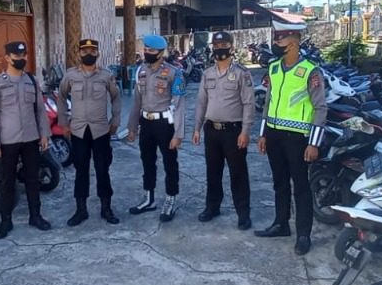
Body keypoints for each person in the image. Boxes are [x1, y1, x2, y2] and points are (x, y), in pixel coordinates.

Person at [255, 22, 327, 255]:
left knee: (301, 186)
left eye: (280, 40)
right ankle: (281, 224)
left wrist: (314, 143)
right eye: (276, 39)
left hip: (298, 138)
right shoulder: (274, 68)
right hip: (274, 135)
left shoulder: (310, 70)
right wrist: (263, 134)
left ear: (294, 43)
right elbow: (268, 102)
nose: (276, 43)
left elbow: (320, 108)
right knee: (280, 182)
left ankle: (304, 235)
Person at [0, 41, 52, 240]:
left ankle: (35, 216)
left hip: (31, 137)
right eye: (17, 56)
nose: (21, 59)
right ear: (7, 58)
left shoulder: (31, 80)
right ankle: (6, 220)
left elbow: (40, 110)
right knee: (7, 181)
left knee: (33, 179)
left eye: (24, 55)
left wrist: (44, 134)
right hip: (8, 140)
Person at [192, 31, 255, 230]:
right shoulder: (207, 73)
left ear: (232, 48)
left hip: (233, 132)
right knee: (213, 172)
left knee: (238, 174)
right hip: (212, 131)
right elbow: (201, 103)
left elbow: (249, 104)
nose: (219, 49)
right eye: (216, 46)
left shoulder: (242, 73)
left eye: (223, 45)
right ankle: (212, 207)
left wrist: (245, 131)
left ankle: (243, 214)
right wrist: (197, 128)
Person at [57, 38, 122, 227]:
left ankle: (106, 209)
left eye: (92, 51)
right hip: (78, 131)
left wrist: (115, 121)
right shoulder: (70, 75)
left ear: (97, 53)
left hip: (101, 130)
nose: (88, 54)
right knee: (81, 171)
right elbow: (61, 97)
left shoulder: (106, 75)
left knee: (103, 169)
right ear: (78, 54)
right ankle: (81, 210)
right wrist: (63, 122)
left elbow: (116, 97)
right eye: (84, 51)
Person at [126, 34, 186, 222]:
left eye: (151, 50)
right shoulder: (140, 71)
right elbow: (137, 101)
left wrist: (178, 133)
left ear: (161, 53)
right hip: (146, 123)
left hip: (164, 125)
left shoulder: (174, 73)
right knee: (147, 161)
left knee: (170, 163)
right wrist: (132, 127)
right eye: (145, 50)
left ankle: (170, 199)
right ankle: (148, 198)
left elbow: (179, 105)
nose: (147, 53)